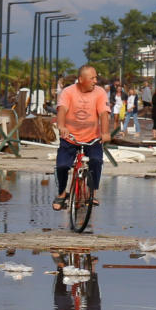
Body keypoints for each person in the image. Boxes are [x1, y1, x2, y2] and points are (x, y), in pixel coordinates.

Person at [53, 65, 111, 211]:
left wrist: (105, 133)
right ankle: (61, 194)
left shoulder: (100, 93)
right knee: (62, 166)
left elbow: (104, 114)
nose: (95, 81)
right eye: (92, 78)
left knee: (96, 161)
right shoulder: (68, 92)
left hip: (92, 138)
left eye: (96, 77)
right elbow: (62, 110)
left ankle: (92, 192)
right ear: (81, 79)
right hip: (70, 137)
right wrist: (62, 127)